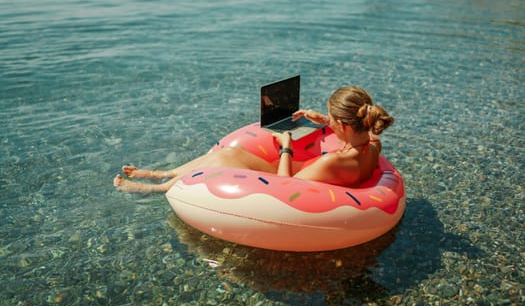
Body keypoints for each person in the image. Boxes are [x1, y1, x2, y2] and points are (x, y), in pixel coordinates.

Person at [113, 86, 394, 193]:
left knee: (224, 156)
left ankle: (158, 188)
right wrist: (322, 119)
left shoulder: (334, 161)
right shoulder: (372, 145)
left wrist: (286, 148)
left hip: (281, 176)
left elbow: (287, 184)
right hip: (308, 171)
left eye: (333, 119)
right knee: (224, 154)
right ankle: (165, 173)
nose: (328, 122)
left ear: (343, 124)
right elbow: (351, 134)